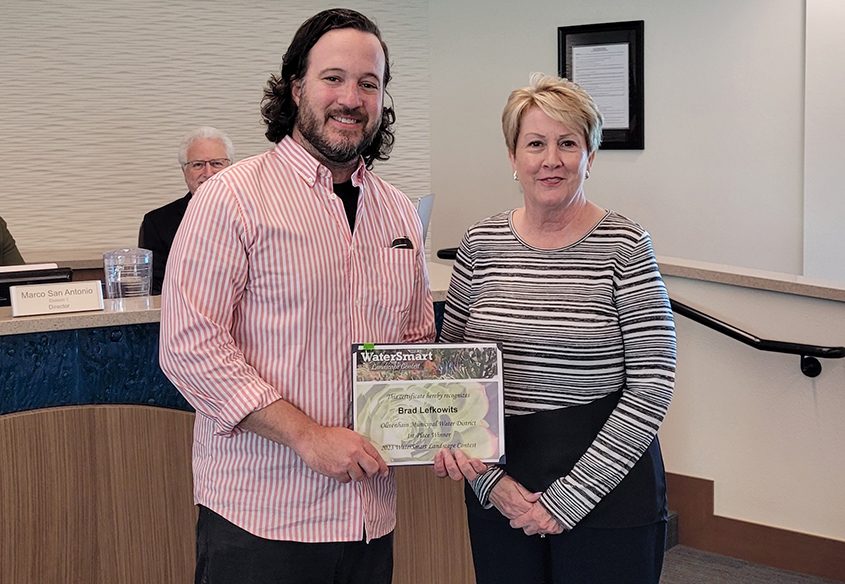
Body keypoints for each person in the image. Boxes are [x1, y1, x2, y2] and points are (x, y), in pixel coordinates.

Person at [158, 9, 435, 584]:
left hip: (367, 515)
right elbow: (189, 347)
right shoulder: (231, 198)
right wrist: (307, 437)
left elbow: (412, 344)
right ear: (296, 87)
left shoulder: (398, 210)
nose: (350, 98)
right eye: (333, 78)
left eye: (369, 83)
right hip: (262, 517)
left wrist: (445, 424)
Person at [434, 74, 676, 584]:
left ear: (591, 154)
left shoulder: (625, 245)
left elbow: (653, 383)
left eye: (568, 143)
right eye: (535, 143)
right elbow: (448, 377)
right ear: (512, 156)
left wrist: (569, 498)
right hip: (501, 481)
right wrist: (488, 484)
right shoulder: (479, 244)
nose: (552, 159)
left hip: (607, 481)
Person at [138, 126, 234, 294]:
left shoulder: (255, 214)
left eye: (216, 163)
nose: (208, 173)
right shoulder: (157, 223)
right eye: (198, 165)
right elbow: (156, 290)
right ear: (184, 171)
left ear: (231, 168)